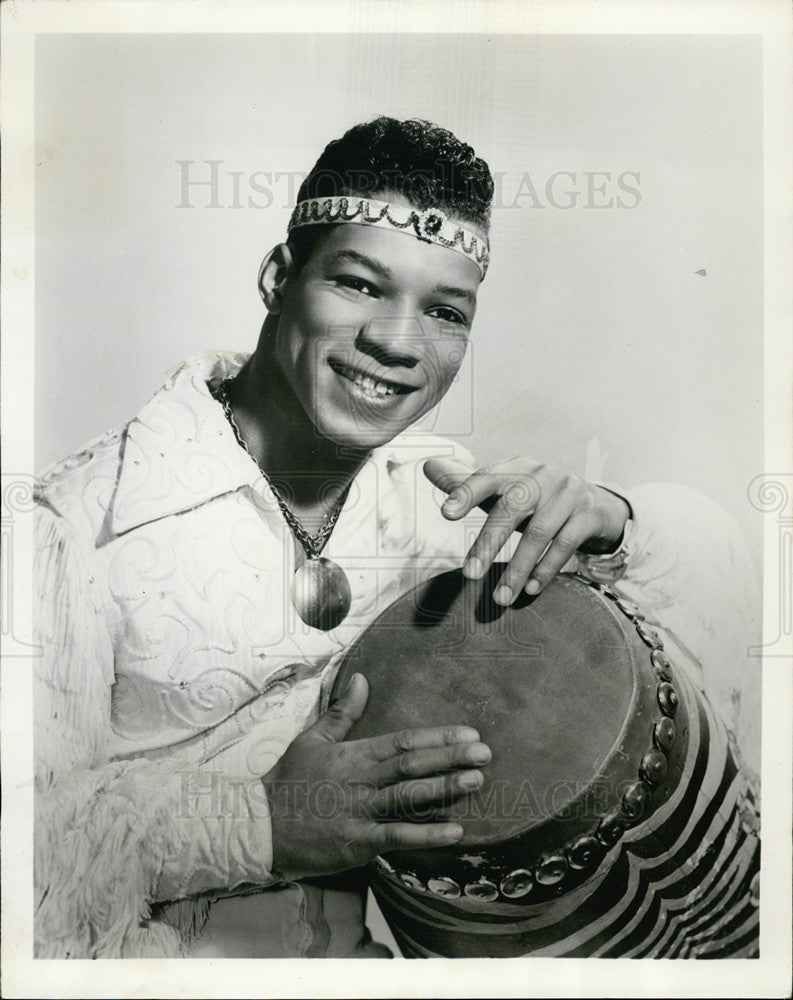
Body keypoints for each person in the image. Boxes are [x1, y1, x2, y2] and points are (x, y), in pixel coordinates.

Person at [33, 117, 760, 959]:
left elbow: (694, 624)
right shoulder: (68, 530)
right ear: (278, 276)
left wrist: (610, 522)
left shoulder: (439, 494)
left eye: (444, 310)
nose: (398, 342)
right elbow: (23, 841)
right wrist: (260, 821)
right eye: (360, 285)